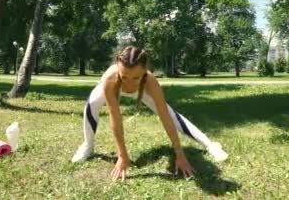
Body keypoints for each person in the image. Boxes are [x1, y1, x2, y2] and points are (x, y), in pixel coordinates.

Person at [71, 46, 228, 180]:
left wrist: (179, 154)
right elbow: (116, 118)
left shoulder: (151, 82)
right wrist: (123, 155)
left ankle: (210, 144)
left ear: (145, 71)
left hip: (144, 90)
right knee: (91, 104)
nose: (129, 83)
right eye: (124, 76)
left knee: (172, 115)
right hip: (112, 85)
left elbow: (166, 118)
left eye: (136, 77)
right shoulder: (110, 79)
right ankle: (88, 145)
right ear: (118, 68)